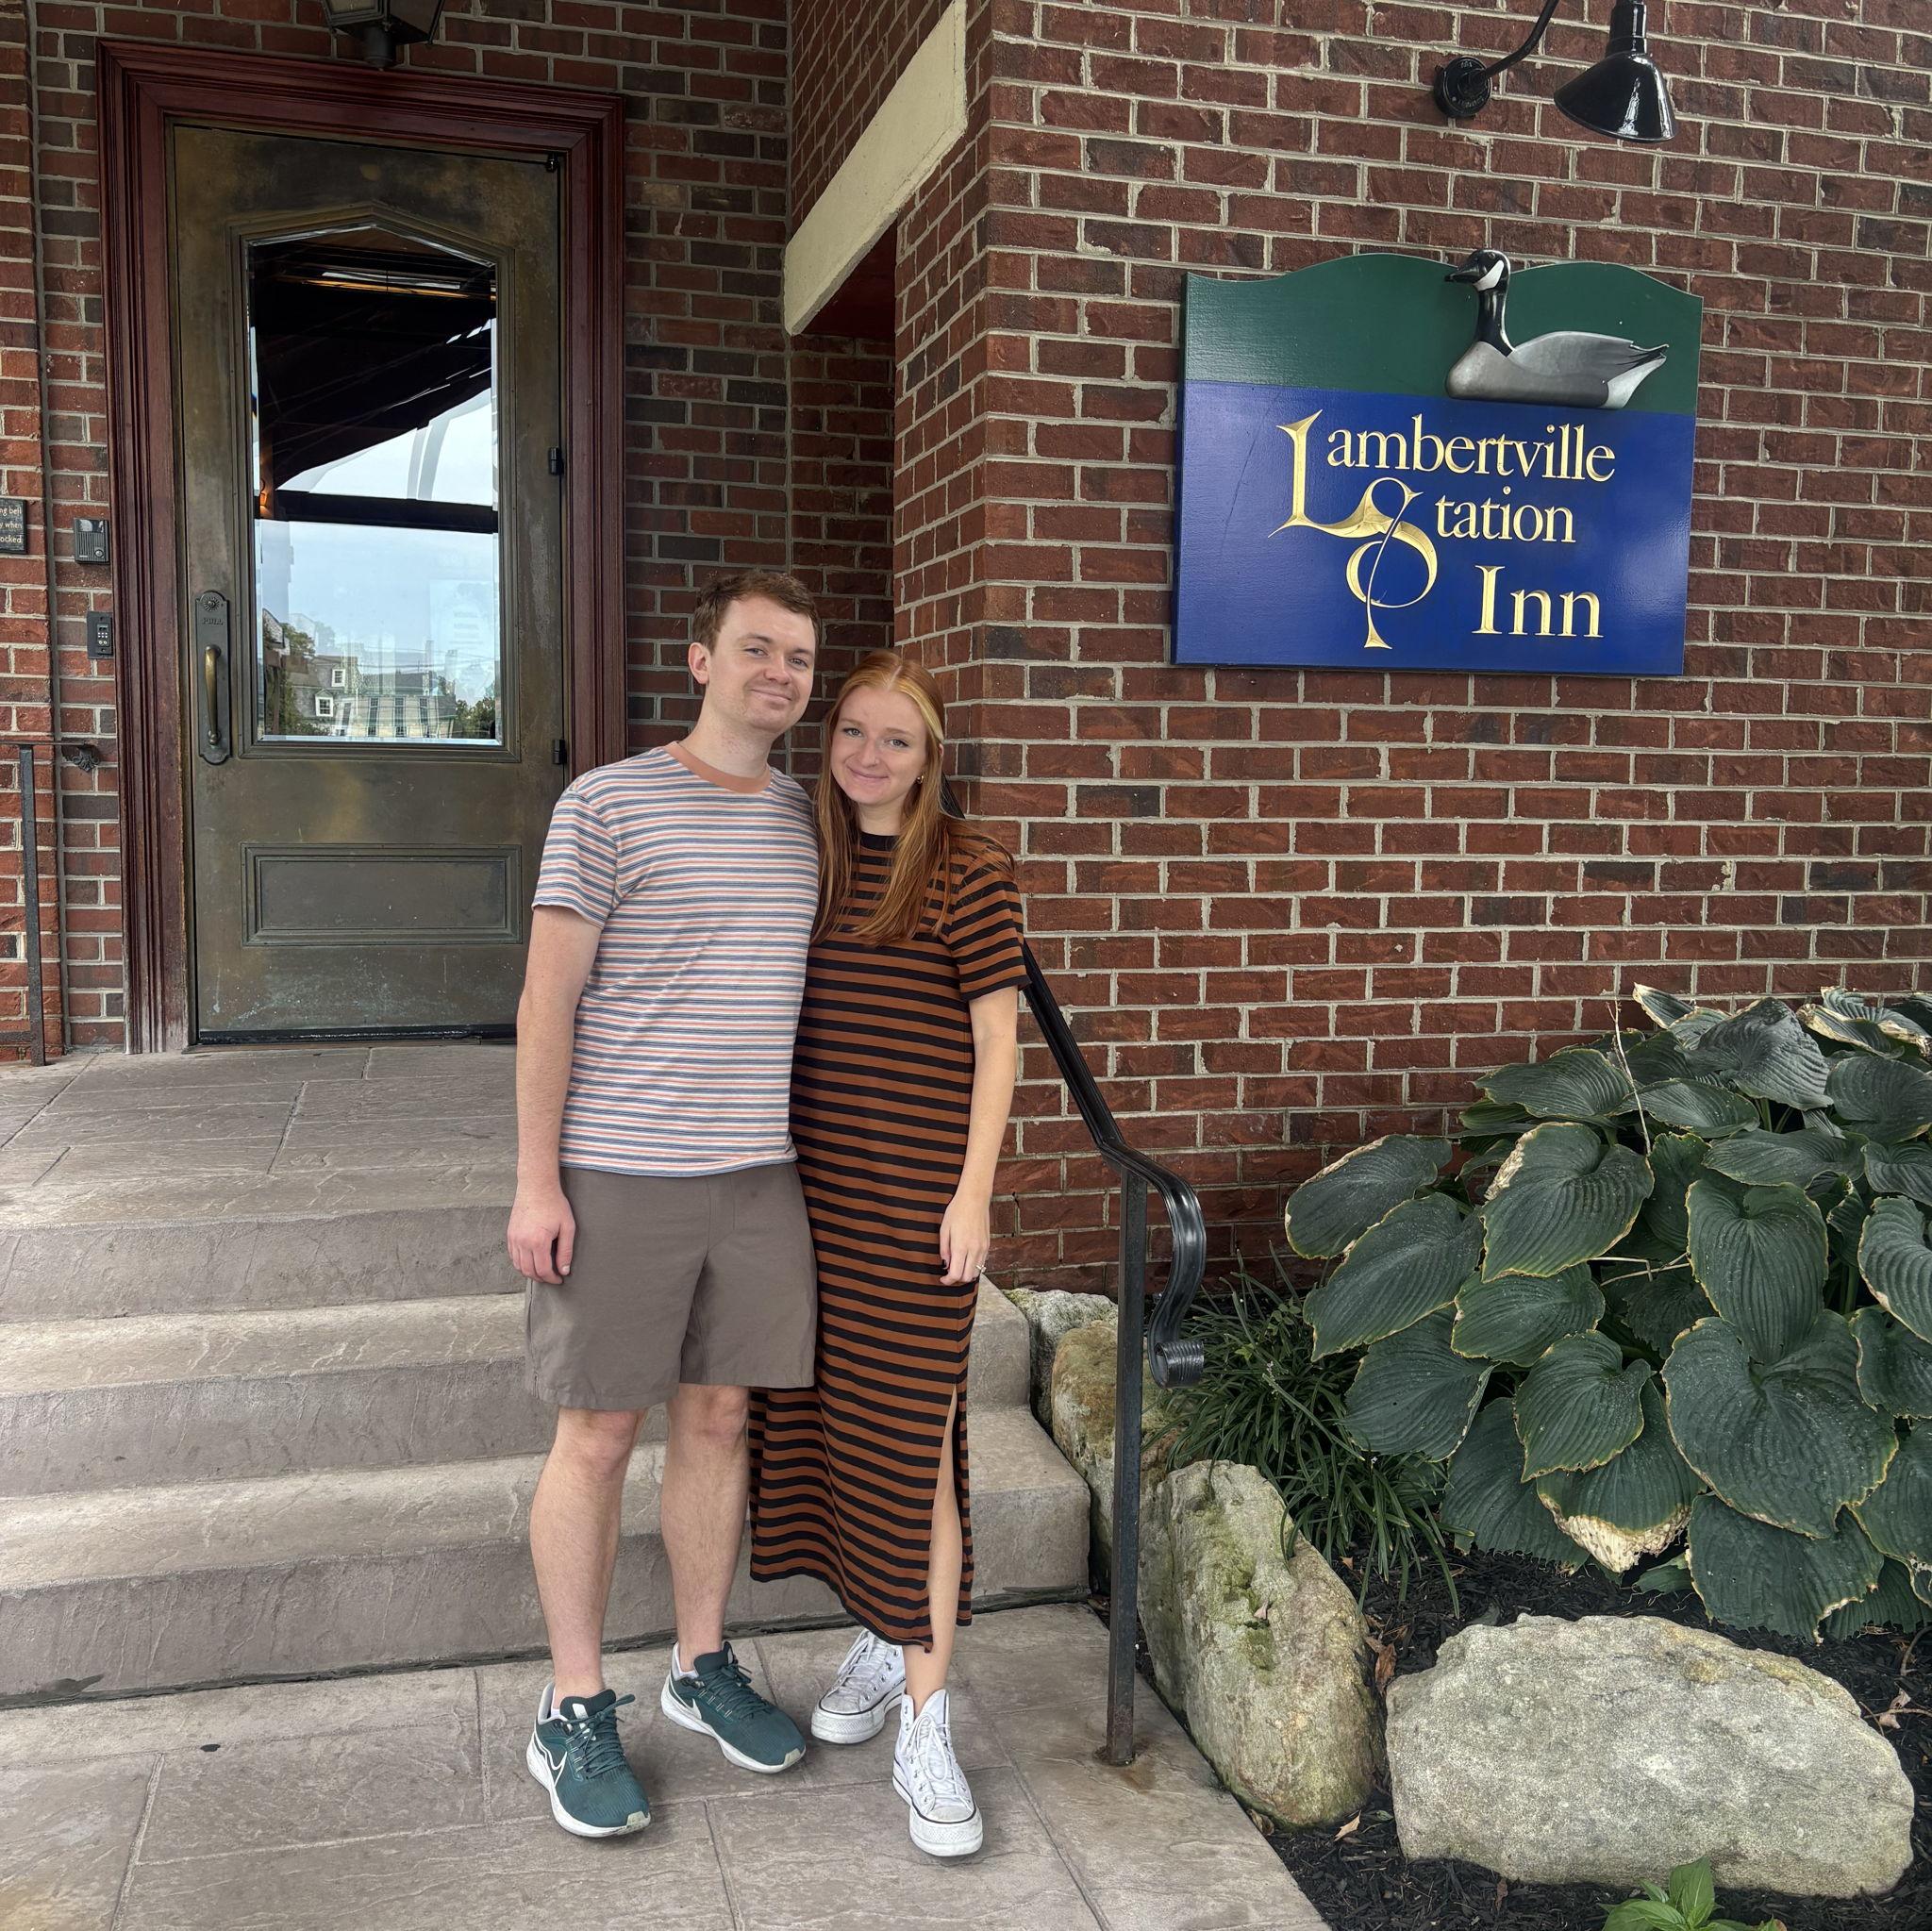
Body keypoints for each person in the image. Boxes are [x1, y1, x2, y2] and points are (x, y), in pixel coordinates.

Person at [507, 570, 823, 1839]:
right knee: (595, 1435)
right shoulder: (607, 804)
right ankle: (573, 1703)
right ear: (700, 660)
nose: (780, 674)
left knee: (719, 1418)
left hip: (757, 1176)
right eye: (757, 649)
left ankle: (700, 1664)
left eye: (799, 658)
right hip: (620, 1171)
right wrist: (537, 1178)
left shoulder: (809, 815)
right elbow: (547, 998)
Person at [747, 651, 1024, 1859]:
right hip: (803, 1197)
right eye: (851, 731)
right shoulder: (800, 857)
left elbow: (997, 1044)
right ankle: (881, 1625)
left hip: (915, 1208)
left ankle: (926, 1722)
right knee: (834, 1433)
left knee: (913, 1447)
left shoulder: (969, 868)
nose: (868, 754)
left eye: (895, 738)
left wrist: (973, 1195)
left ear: (930, 756)